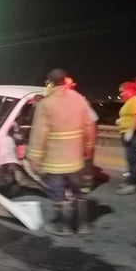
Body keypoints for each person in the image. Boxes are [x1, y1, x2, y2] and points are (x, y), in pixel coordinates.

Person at [27, 69, 96, 235]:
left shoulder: (45, 104)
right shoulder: (79, 99)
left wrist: (34, 157)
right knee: (78, 191)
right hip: (75, 158)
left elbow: (39, 133)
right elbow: (89, 126)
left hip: (55, 159)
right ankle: (83, 225)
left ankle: (62, 226)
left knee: (58, 192)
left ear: (50, 83)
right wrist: (88, 147)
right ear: (65, 81)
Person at [116, 82, 136, 195]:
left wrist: (130, 131)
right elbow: (128, 116)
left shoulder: (135, 100)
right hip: (129, 133)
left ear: (130, 90)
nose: (121, 94)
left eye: (122, 91)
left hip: (135, 134)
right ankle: (130, 181)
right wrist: (121, 121)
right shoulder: (129, 102)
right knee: (130, 159)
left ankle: (133, 184)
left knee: (133, 160)